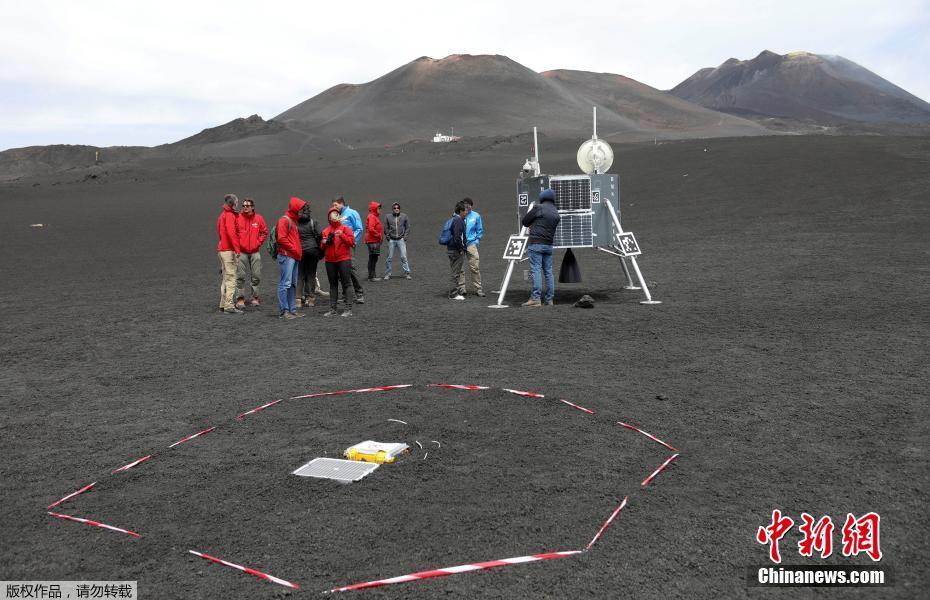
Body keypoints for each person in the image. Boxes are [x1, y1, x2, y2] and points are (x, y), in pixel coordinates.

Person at [520, 188, 561, 306]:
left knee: (536, 270)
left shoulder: (538, 208)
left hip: (536, 244)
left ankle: (535, 298)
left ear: (542, 198)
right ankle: (549, 299)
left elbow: (525, 221)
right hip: (548, 246)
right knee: (548, 272)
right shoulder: (555, 213)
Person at [321, 207, 356, 317]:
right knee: (333, 285)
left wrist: (342, 235)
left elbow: (351, 242)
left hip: (344, 260)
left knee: (346, 284)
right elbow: (322, 247)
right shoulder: (325, 231)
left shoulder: (346, 229)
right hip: (330, 261)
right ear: (329, 218)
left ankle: (348, 309)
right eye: (332, 214)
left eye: (336, 214)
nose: (334, 216)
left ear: (339, 216)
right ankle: (333, 309)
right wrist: (326, 242)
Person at [276, 197, 306, 319]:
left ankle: (292, 310)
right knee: (285, 284)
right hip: (288, 256)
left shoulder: (292, 221)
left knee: (292, 284)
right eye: (300, 209)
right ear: (295, 209)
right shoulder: (285, 220)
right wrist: (294, 250)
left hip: (293, 257)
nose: (301, 212)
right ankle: (285, 311)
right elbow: (281, 239)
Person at [234, 197, 267, 308]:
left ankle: (255, 297)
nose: (245, 208)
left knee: (256, 276)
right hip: (241, 252)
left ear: (252, 207)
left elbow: (264, 232)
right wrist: (238, 244)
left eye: (247, 206)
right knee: (240, 277)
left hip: (255, 252)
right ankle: (240, 299)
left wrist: (258, 243)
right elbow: (233, 233)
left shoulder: (259, 218)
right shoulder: (237, 218)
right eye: (243, 206)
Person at [333, 196, 365, 303]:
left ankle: (359, 294)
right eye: (333, 205)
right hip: (338, 246)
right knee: (340, 270)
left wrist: (351, 242)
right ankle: (345, 294)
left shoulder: (352, 213)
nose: (334, 207)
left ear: (342, 203)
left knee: (350, 269)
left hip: (348, 245)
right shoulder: (336, 214)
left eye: (335, 205)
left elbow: (359, 229)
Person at [216, 193, 242, 314]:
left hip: (222, 249)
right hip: (228, 250)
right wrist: (237, 250)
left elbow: (220, 233)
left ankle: (223, 304)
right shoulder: (230, 216)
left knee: (225, 279)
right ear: (233, 204)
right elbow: (232, 234)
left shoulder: (222, 215)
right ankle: (229, 305)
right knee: (231, 278)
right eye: (236, 202)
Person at [296, 202, 323, 308]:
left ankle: (298, 299)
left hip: (300, 251)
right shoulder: (313, 222)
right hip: (313, 251)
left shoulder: (296, 223)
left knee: (300, 275)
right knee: (311, 274)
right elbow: (320, 235)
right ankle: (310, 299)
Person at [462, 197, 485, 297]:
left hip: (471, 244)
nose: (467, 207)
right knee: (460, 268)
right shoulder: (458, 215)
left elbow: (479, 230)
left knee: (475, 267)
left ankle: (478, 288)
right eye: (465, 205)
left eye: (469, 205)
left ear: (471, 205)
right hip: (460, 245)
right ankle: (461, 288)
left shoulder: (476, 216)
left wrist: (477, 241)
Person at [382, 202, 411, 279]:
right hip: (392, 240)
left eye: (397, 207)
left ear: (399, 209)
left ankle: (407, 273)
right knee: (389, 257)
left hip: (401, 239)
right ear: (392, 209)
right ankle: (388, 273)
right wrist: (388, 236)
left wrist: (405, 237)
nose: (396, 209)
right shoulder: (388, 217)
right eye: (394, 208)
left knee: (404, 257)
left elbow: (408, 227)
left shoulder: (404, 216)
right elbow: (385, 227)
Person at [446, 201, 468, 300]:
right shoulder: (459, 221)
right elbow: (457, 237)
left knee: (455, 271)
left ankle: (456, 291)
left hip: (451, 249)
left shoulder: (453, 219)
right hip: (456, 250)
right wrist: (461, 249)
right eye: (465, 210)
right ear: (460, 211)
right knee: (455, 273)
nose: (466, 212)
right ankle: (453, 294)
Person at [364, 201, 384, 281]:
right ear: (374, 209)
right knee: (373, 258)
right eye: (378, 208)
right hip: (372, 241)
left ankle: (372, 276)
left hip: (373, 240)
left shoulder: (373, 216)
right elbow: (371, 229)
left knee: (373, 258)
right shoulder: (372, 216)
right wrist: (379, 235)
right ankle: (372, 277)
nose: (380, 209)